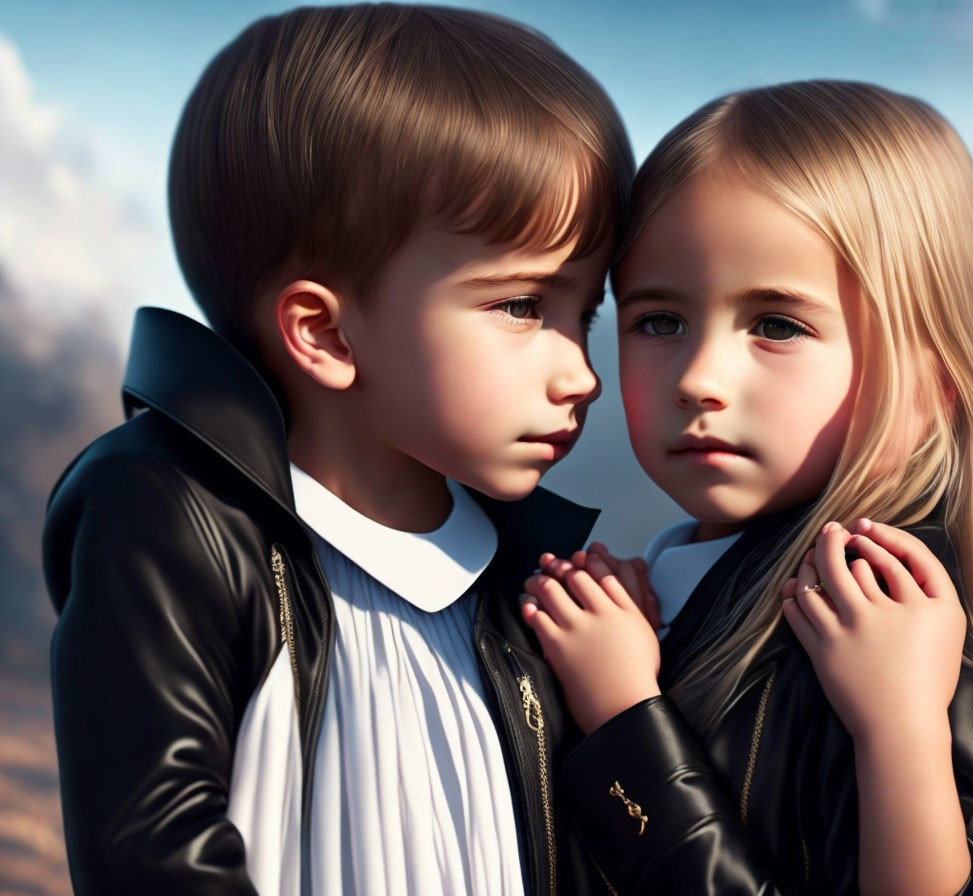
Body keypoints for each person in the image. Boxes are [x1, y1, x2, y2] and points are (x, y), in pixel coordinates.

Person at [41, 5, 633, 894]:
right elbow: (149, 850)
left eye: (583, 315)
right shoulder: (169, 516)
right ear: (324, 332)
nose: (582, 374)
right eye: (522, 306)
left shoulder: (533, 581)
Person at [521, 81, 973, 895]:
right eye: (658, 321)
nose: (699, 379)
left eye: (777, 325)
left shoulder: (886, 631)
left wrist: (625, 718)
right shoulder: (678, 592)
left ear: (936, 374)